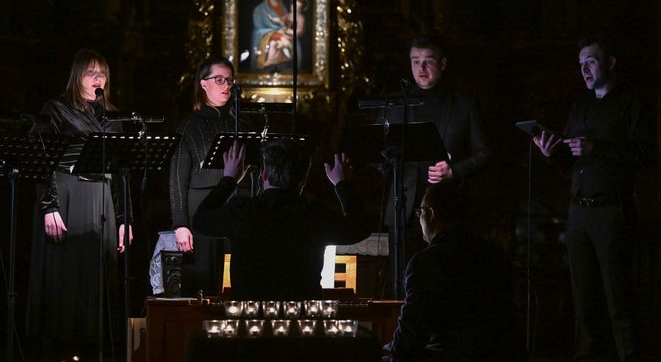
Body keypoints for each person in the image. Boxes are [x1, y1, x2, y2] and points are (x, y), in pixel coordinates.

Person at [533, 34, 654, 361]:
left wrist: (596, 148)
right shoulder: (581, 106)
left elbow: (645, 155)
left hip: (612, 211)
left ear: (610, 63)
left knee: (618, 299)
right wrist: (551, 154)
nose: (584, 70)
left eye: (591, 61)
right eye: (580, 64)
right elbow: (572, 159)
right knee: (583, 302)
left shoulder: (631, 102)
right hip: (578, 213)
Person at [26, 49, 133, 361]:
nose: (97, 77)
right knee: (65, 280)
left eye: (102, 72)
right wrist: (49, 206)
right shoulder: (57, 110)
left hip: (101, 201)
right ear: (77, 76)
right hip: (67, 198)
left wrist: (125, 218)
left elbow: (121, 173)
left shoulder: (113, 117)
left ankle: (94, 350)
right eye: (90, 72)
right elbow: (42, 163)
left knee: (98, 283)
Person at [380, 36, 493, 297]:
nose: (421, 68)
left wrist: (454, 171)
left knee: (446, 285)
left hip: (447, 212)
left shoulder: (464, 105)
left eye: (428, 62)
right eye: (415, 62)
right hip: (404, 210)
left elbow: (485, 153)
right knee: (403, 285)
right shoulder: (395, 105)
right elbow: (378, 156)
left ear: (442, 64)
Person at [192, 138, 371, 300]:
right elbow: (360, 227)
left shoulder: (243, 211)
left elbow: (200, 221)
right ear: (303, 179)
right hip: (300, 324)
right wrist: (342, 184)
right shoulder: (314, 215)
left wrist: (229, 179)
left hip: (249, 323)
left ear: (264, 175)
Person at [383, 179, 513, 361]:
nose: (419, 218)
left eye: (420, 212)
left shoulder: (427, 261)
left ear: (431, 214)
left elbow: (411, 336)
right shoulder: (495, 254)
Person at [169, 57, 245, 296]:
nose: (226, 86)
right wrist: (180, 224)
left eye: (230, 80)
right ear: (203, 84)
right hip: (202, 207)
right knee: (205, 279)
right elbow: (177, 178)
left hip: (236, 206)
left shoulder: (240, 124)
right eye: (219, 79)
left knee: (240, 276)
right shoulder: (189, 125)